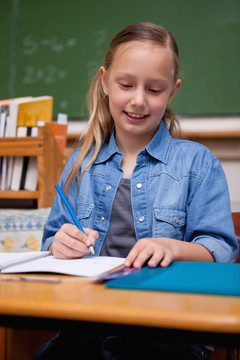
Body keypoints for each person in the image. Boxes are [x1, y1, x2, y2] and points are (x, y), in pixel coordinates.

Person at [35, 22, 238, 360]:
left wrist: (171, 247)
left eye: (155, 89)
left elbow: (221, 252)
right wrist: (59, 244)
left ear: (172, 92)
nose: (139, 100)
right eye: (126, 85)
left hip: (170, 329)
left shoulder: (197, 163)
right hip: (87, 322)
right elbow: (52, 243)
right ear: (104, 82)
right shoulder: (80, 163)